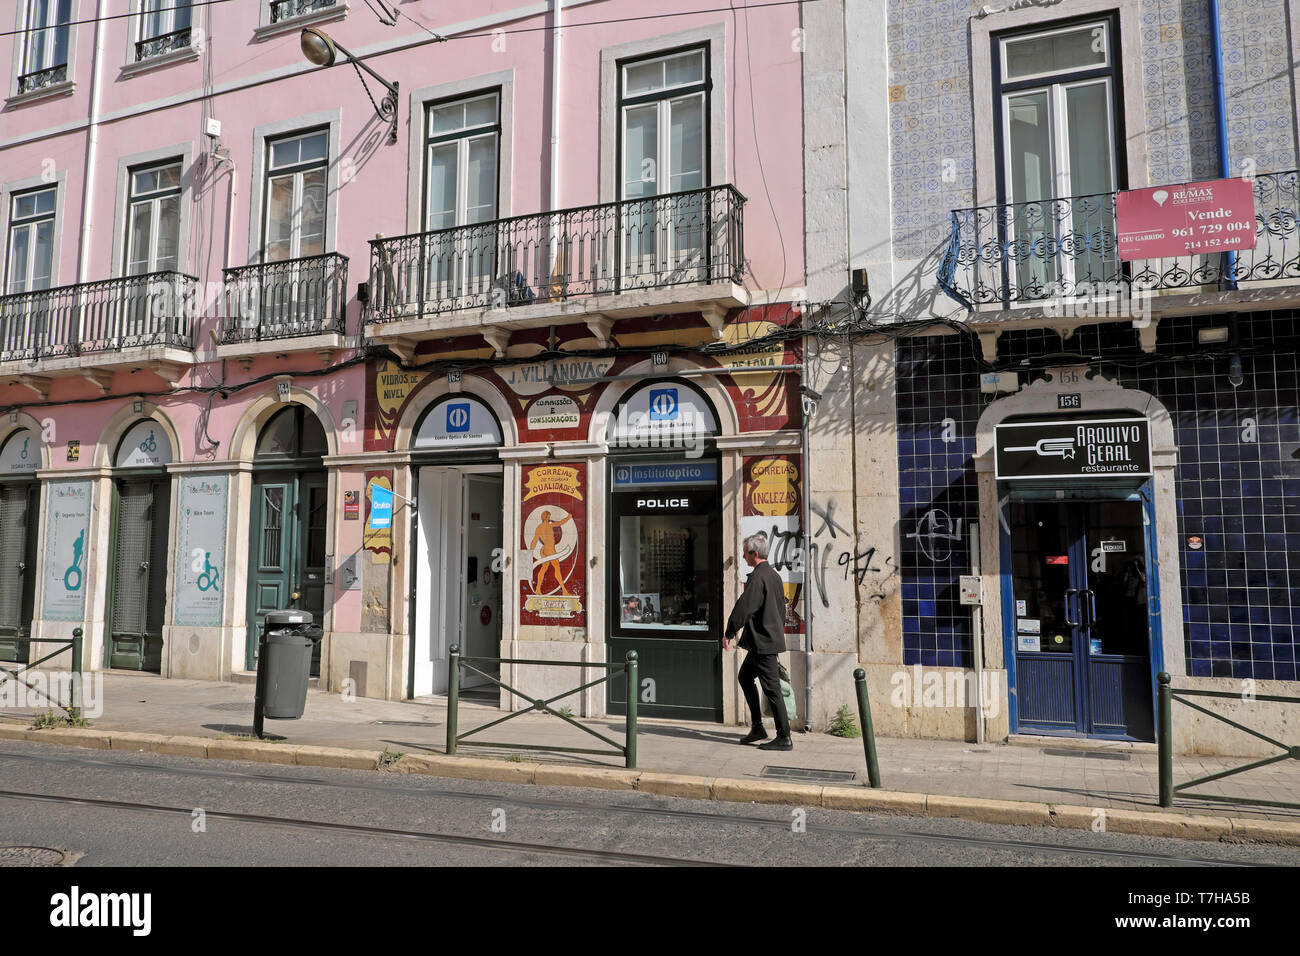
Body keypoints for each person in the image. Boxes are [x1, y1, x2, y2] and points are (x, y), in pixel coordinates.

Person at [723, 531, 792, 750]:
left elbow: (745, 607)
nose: (743, 556)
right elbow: (781, 610)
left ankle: (784, 737)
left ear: (754, 554)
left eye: (745, 553)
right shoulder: (774, 576)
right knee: (745, 677)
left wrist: (729, 632)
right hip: (762, 642)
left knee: (772, 689)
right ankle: (757, 727)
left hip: (764, 643)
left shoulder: (758, 577)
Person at [529, 510, 573, 595]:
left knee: (544, 568)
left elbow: (534, 541)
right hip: (550, 550)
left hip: (544, 550)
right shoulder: (549, 525)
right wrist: (568, 517)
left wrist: (530, 550)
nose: (549, 518)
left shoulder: (539, 528)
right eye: (549, 516)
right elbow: (560, 522)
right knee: (556, 568)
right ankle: (564, 590)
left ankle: (538, 589)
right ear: (547, 517)